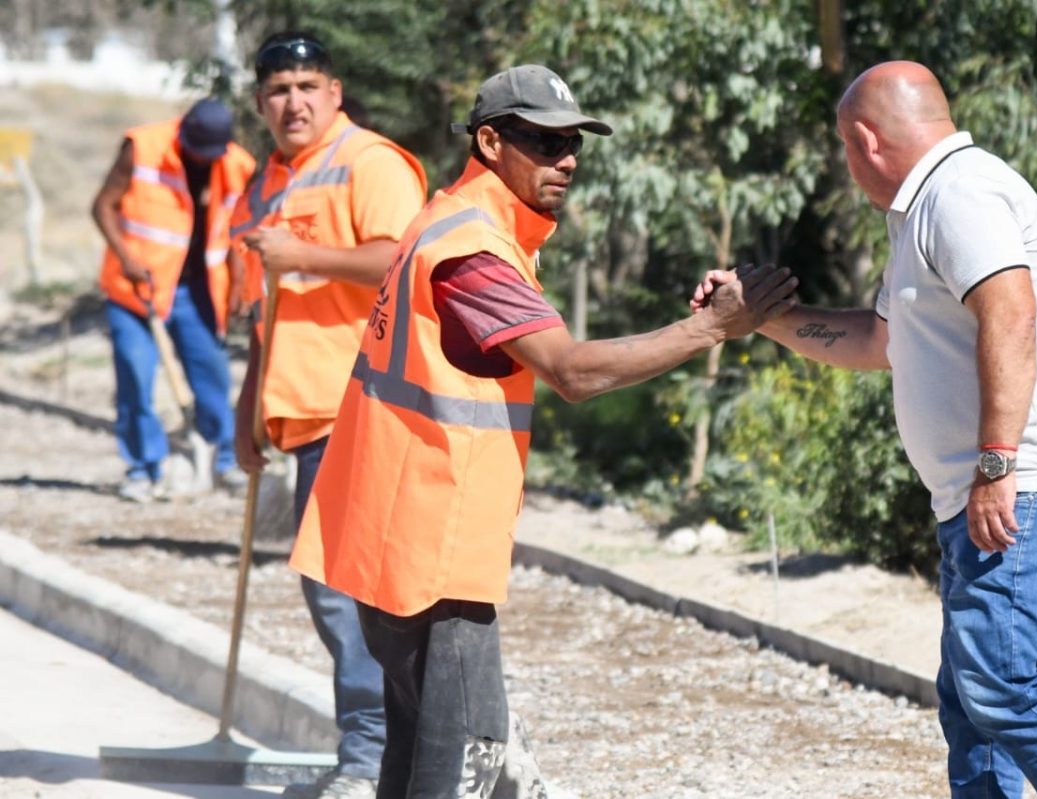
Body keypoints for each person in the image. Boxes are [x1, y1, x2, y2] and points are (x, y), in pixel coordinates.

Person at [289, 63, 796, 798]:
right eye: (545, 142)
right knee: (464, 760)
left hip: (387, 533)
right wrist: (711, 327)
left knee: (412, 757)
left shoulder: (451, 218)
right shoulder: (472, 250)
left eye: (575, 146)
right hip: (435, 546)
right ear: (490, 141)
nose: (565, 161)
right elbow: (574, 372)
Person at [696, 61, 1037, 798]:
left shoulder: (961, 192)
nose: (846, 162)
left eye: (843, 146)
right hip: (987, 486)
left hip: (1027, 479)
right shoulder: (924, 210)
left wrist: (996, 464)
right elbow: (878, 342)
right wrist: (758, 316)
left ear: (864, 139)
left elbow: (1011, 313)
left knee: (1000, 686)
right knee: (971, 701)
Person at [230, 31, 428, 799]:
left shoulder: (370, 163)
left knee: (348, 594)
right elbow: (264, 309)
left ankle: (370, 760)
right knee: (335, 593)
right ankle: (383, 756)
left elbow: (405, 256)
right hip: (300, 409)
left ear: (336, 94)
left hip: (362, 403)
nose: (294, 102)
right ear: (259, 103)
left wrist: (302, 256)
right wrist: (252, 406)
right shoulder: (267, 183)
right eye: (279, 90)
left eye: (308, 86)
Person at [92, 97, 255, 502]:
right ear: (183, 134)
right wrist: (127, 258)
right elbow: (102, 206)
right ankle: (143, 468)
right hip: (136, 288)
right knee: (135, 374)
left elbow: (237, 232)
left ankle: (224, 462)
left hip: (197, 288)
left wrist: (239, 285)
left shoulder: (238, 164)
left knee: (212, 374)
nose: (203, 160)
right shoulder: (143, 147)